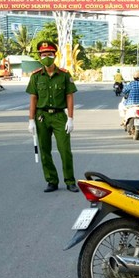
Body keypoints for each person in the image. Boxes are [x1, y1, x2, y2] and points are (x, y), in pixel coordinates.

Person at [26, 40, 79, 193]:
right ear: (40, 57)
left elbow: (69, 96)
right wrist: (31, 120)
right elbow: (33, 98)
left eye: (49, 54)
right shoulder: (36, 76)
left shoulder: (64, 75)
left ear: (54, 55)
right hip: (41, 116)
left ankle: (70, 181)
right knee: (44, 150)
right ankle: (51, 180)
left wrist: (70, 118)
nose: (46, 57)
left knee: (65, 150)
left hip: (59, 117)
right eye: (43, 55)